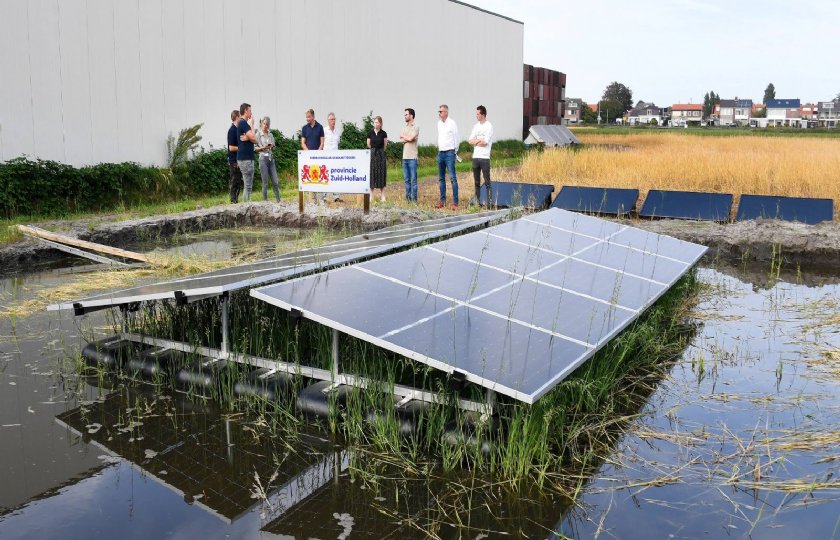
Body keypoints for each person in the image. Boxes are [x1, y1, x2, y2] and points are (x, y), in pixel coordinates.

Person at [468, 105, 494, 206]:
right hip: (476, 157)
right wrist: (479, 141)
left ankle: (490, 203)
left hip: (484, 157)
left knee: (487, 182)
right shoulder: (476, 126)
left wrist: (476, 141)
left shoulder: (489, 126)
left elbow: (485, 142)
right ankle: (477, 203)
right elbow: (470, 140)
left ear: (483, 115)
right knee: (476, 182)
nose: (476, 116)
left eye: (478, 114)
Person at [436, 104, 459, 209]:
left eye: (441, 111)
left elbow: (456, 138)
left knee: (452, 178)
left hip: (450, 153)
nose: (439, 113)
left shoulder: (452, 123)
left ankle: (455, 202)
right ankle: (442, 201)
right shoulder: (439, 124)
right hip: (441, 153)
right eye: (439, 112)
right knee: (441, 178)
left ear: (446, 112)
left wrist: (454, 152)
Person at [301, 109, 325, 204]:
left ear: (313, 117)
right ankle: (313, 199)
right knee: (311, 177)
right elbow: (302, 143)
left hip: (319, 156)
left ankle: (321, 198)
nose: (307, 119)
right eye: (306, 117)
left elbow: (322, 142)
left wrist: (318, 153)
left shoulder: (320, 127)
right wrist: (308, 153)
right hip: (309, 157)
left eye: (309, 117)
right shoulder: (304, 128)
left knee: (320, 176)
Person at [255, 116, 281, 202]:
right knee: (265, 183)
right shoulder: (258, 134)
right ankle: (265, 202)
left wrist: (273, 147)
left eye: (267, 124)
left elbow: (273, 147)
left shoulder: (271, 134)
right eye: (264, 124)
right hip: (263, 159)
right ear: (261, 124)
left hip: (271, 159)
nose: (266, 126)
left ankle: (278, 201)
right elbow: (255, 148)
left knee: (275, 182)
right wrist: (263, 147)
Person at [237, 103, 257, 202]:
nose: (251, 113)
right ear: (245, 110)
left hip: (246, 158)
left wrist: (248, 137)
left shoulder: (242, 124)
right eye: (250, 111)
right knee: (248, 185)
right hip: (245, 159)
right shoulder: (243, 123)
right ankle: (246, 207)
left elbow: (251, 138)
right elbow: (254, 138)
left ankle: (246, 205)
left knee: (248, 185)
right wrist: (252, 125)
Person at [399, 108, 419, 202]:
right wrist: (408, 138)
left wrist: (405, 137)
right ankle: (408, 200)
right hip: (405, 157)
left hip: (412, 157)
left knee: (413, 180)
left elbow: (411, 138)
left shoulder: (416, 126)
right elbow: (401, 140)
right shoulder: (404, 127)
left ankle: (414, 200)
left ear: (411, 116)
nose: (405, 116)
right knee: (406, 180)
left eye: (406, 114)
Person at [366, 115, 388, 202]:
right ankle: (371, 195)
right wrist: (373, 149)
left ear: (380, 124)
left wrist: (380, 151)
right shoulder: (370, 133)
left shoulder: (384, 133)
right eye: (375, 122)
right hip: (372, 154)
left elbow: (385, 145)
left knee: (381, 174)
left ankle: (383, 195)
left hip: (381, 154)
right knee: (372, 174)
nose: (376, 124)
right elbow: (368, 144)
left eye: (377, 122)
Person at [323, 112, 342, 202]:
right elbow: (322, 143)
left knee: (335, 176)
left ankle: (336, 197)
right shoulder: (324, 130)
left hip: (336, 157)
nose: (333, 121)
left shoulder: (338, 131)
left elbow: (337, 143)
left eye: (334, 119)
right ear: (328, 120)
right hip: (326, 157)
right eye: (331, 119)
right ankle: (324, 197)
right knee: (325, 176)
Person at [227, 109, 243, 203]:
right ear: (237, 117)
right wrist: (241, 148)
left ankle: (236, 200)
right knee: (234, 181)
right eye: (240, 117)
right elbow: (231, 148)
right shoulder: (232, 130)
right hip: (233, 161)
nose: (242, 118)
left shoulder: (238, 130)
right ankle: (233, 201)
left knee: (238, 182)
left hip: (239, 159)